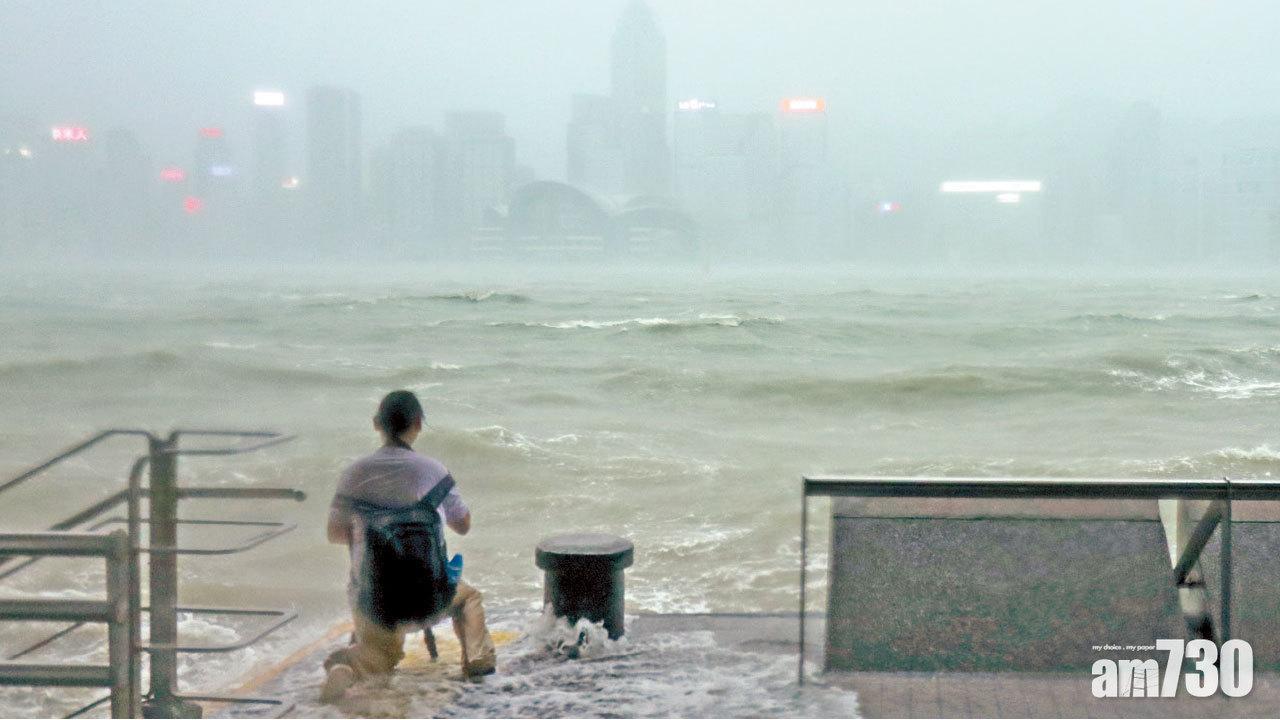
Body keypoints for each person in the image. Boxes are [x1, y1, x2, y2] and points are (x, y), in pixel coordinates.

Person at [321, 390, 496, 704]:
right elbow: (463, 525)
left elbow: (335, 533)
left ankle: (350, 667)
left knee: (379, 661)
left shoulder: (353, 473)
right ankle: (478, 659)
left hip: (376, 600)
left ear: (377, 424)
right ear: (417, 424)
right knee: (468, 598)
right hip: (431, 594)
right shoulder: (433, 470)